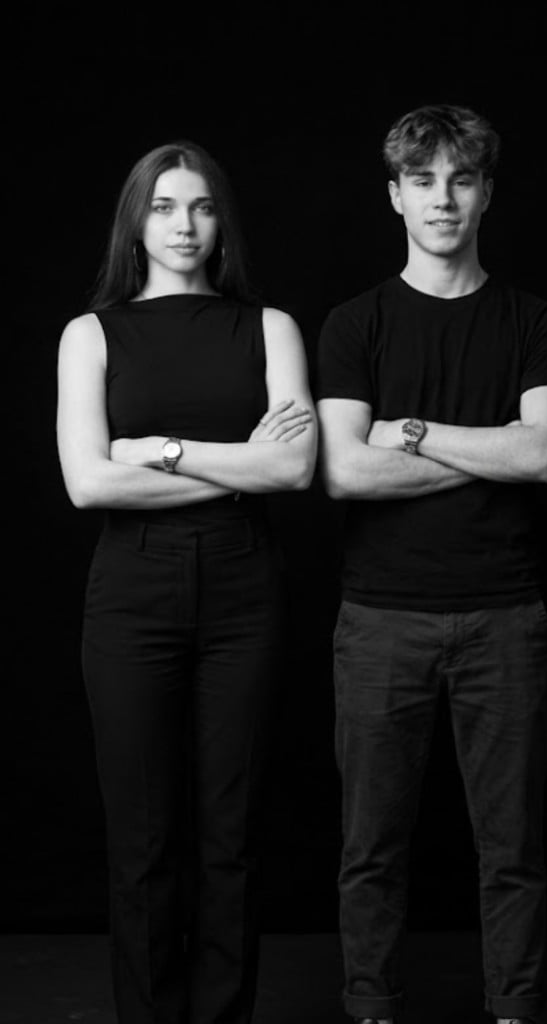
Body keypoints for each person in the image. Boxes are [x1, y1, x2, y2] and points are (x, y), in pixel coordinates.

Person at [316, 104, 547, 1024]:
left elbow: (544, 458)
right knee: (371, 846)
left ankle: (513, 1009)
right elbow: (345, 469)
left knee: (510, 846)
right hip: (380, 619)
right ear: (395, 197)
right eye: (422, 181)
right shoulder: (356, 323)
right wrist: (486, 448)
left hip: (505, 616)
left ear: (486, 193)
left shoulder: (533, 320)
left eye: (460, 179)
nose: (442, 198)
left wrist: (415, 434)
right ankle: (371, 1008)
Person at [56, 140, 316, 1023]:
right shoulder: (91, 334)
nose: (184, 225)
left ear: (221, 222)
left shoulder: (268, 327)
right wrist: (241, 460)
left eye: (201, 207)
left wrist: (159, 451)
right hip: (131, 593)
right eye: (164, 207)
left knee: (230, 835)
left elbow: (292, 474)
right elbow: (89, 483)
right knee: (142, 838)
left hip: (244, 588)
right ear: (137, 220)